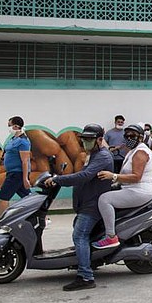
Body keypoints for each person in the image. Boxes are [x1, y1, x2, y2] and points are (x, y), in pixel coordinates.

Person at [45, 123, 114, 291]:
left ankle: (86, 276)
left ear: (99, 140)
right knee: (81, 234)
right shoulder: (92, 154)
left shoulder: (103, 156)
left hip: (93, 205)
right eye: (84, 139)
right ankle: (88, 262)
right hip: (86, 203)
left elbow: (84, 176)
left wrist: (58, 180)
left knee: (79, 236)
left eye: (90, 139)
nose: (86, 142)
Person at [94, 123, 152, 249]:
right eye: (126, 136)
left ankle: (110, 237)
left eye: (132, 136)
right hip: (134, 189)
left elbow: (136, 177)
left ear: (140, 137)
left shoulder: (140, 152)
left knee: (104, 199)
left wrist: (114, 176)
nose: (128, 138)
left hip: (139, 191)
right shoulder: (133, 151)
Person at [0, 116, 32, 218]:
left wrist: (25, 179)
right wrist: (2, 159)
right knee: (28, 198)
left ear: (16, 126)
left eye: (9, 125)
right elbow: (7, 150)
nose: (8, 128)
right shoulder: (13, 139)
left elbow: (25, 161)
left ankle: (0, 223)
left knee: (3, 197)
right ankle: (42, 217)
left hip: (17, 174)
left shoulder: (23, 141)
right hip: (11, 172)